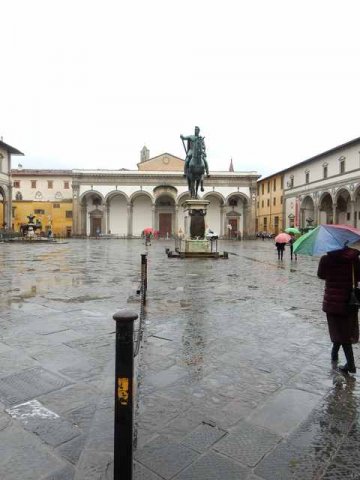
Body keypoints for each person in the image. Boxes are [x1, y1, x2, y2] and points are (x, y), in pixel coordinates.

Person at [317, 247, 360, 375]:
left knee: (337, 329)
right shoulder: (354, 259)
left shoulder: (326, 259)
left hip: (332, 301)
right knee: (345, 330)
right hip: (349, 301)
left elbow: (321, 275)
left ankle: (351, 364)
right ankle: (334, 353)